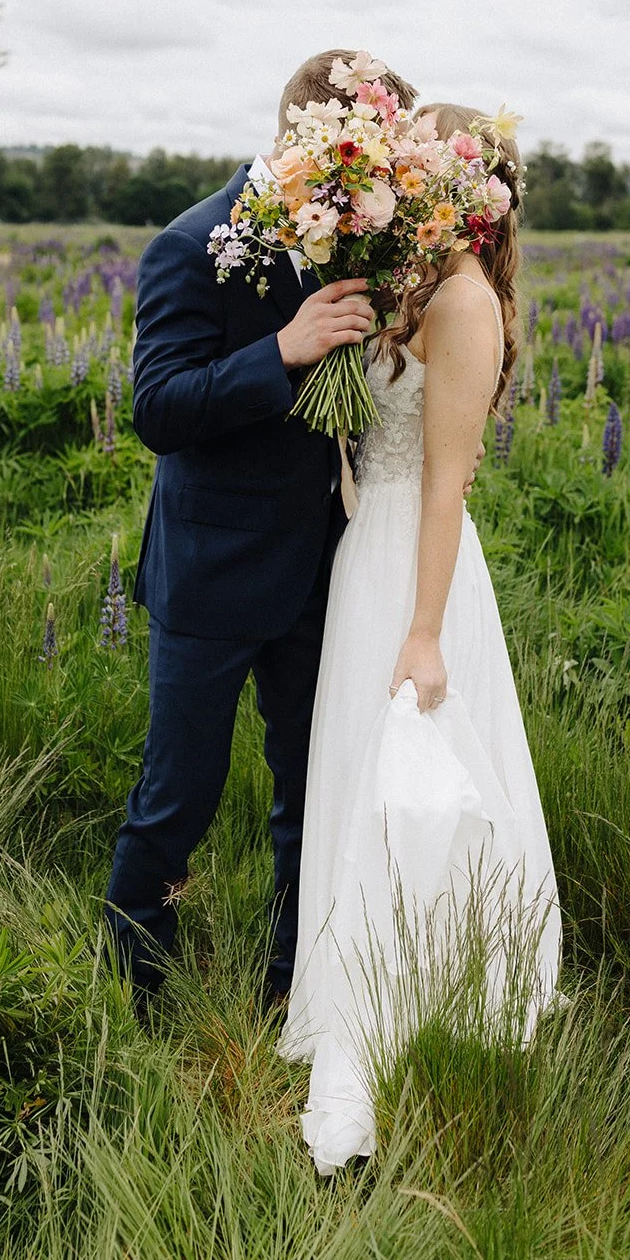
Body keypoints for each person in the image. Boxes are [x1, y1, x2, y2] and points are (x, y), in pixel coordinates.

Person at [277, 102, 563, 1175]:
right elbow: (370, 449)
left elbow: (447, 481)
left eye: (416, 173)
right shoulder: (403, 288)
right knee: (358, 778)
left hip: (421, 577)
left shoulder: (464, 303)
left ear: (460, 194)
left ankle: (427, 996)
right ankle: (358, 975)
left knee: (416, 783)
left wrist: (426, 632)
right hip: (371, 560)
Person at [103, 51, 417, 1008]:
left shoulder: (351, 242)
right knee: (176, 798)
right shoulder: (190, 244)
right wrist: (280, 351)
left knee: (308, 792)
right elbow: (156, 409)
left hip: (320, 568)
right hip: (209, 573)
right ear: (306, 141)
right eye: (368, 160)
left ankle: (292, 984)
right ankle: (135, 986)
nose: (378, 183)